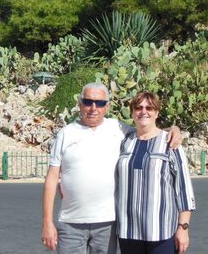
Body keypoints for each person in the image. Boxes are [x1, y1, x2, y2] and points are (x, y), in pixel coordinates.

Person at [42, 83, 181, 254]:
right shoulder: (66, 133)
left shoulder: (117, 128)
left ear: (107, 106)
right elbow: (51, 177)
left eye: (100, 103)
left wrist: (173, 130)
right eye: (88, 102)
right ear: (80, 104)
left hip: (107, 224)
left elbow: (147, 129)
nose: (93, 108)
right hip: (71, 222)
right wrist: (47, 222)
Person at [116, 91, 196, 254]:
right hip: (128, 230)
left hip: (161, 231)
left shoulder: (170, 143)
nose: (143, 111)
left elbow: (183, 189)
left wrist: (183, 228)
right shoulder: (125, 142)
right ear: (132, 112)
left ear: (157, 112)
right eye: (138, 107)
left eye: (149, 108)